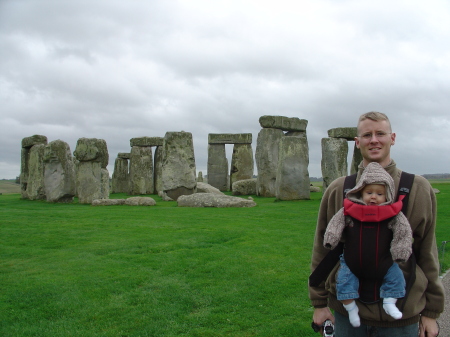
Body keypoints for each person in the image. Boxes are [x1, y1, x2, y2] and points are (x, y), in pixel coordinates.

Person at [309, 112, 444, 336]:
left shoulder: (418, 188)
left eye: (380, 133)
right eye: (367, 135)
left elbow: (426, 252)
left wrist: (430, 311)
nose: (374, 140)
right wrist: (319, 302)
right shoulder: (338, 189)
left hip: (402, 312)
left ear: (392, 138)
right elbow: (322, 249)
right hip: (346, 312)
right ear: (357, 142)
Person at [323, 162, 413, 328]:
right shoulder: (350, 209)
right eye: (369, 192)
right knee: (344, 283)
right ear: (359, 192)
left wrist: (400, 250)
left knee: (397, 278)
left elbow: (403, 232)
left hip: (385, 262)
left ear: (388, 195)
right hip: (352, 262)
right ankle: (351, 309)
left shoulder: (393, 214)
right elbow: (336, 223)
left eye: (379, 194)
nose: (373, 197)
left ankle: (389, 302)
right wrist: (331, 238)